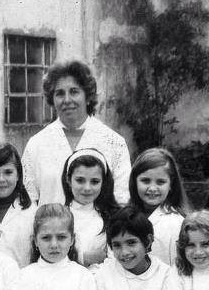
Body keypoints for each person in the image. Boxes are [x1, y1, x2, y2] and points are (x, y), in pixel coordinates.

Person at [21, 60, 131, 206]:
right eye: (60, 94)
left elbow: (122, 198)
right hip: (50, 221)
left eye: (74, 91)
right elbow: (28, 199)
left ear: (88, 96)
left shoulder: (114, 142)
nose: (67, 100)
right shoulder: (36, 144)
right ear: (52, 100)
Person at [129, 147, 190, 267]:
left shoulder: (175, 224)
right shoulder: (126, 216)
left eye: (160, 182)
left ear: (171, 184)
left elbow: (179, 268)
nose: (152, 188)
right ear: (134, 181)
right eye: (145, 181)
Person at [61, 148, 120, 267]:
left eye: (94, 182)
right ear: (68, 180)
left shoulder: (113, 217)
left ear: (103, 183)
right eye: (80, 180)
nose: (87, 188)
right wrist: (83, 257)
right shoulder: (57, 216)